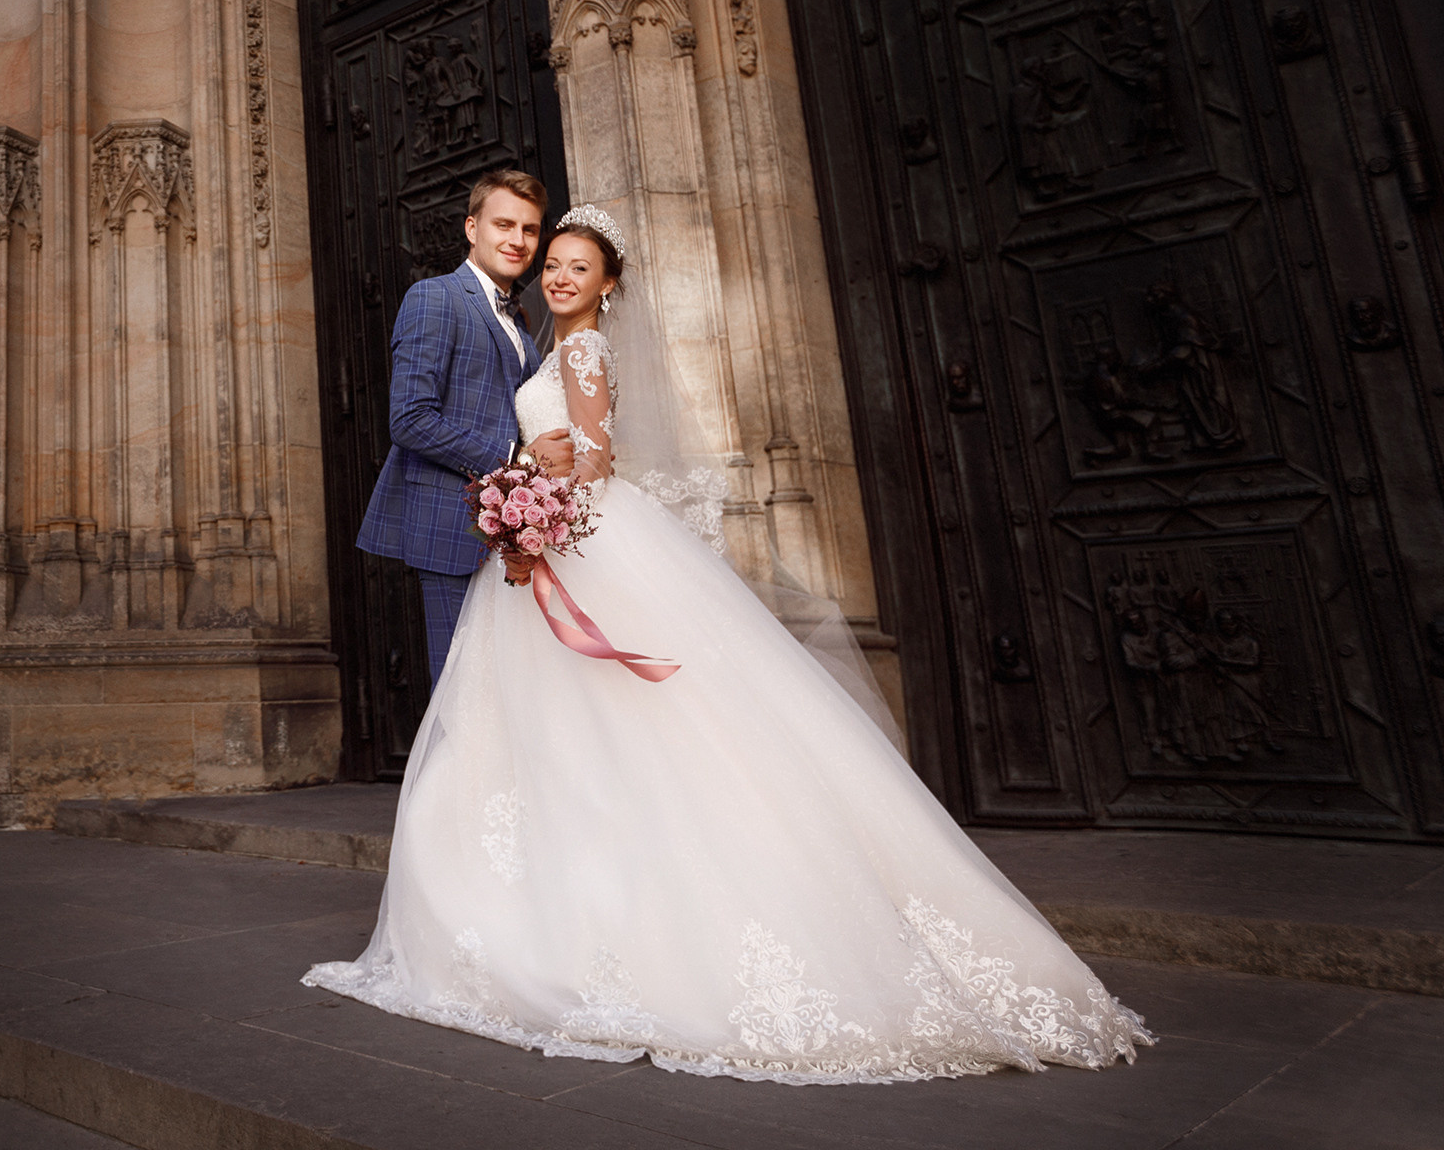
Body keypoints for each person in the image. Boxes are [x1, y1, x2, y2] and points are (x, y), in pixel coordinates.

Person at [309, 204, 1153, 1083]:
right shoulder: (529, 342)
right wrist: (524, 489)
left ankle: (574, 922)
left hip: (578, 538)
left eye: (575, 266)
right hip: (548, 541)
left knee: (596, 734)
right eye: (549, 260)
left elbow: (592, 458)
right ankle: (523, 907)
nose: (555, 273)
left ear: (608, 285)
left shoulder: (583, 352)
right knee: (548, 739)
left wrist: (531, 493)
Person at [357, 170, 573, 687]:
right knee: (465, 693)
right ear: (472, 228)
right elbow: (409, 418)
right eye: (504, 225)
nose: (517, 240)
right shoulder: (435, 297)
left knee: (513, 691)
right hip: (451, 527)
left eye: (529, 229)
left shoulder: (517, 319)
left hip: (514, 532)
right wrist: (516, 459)